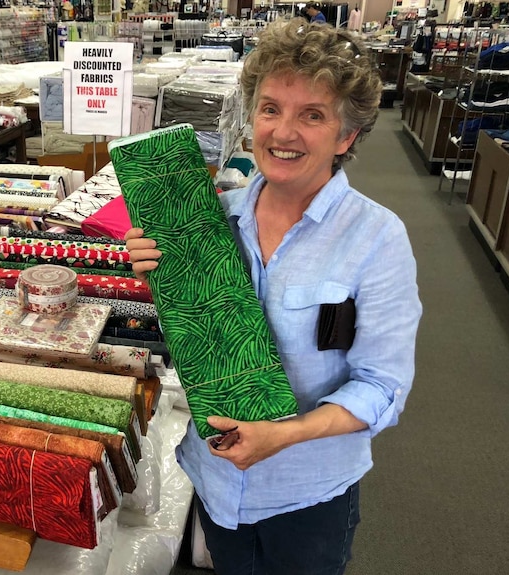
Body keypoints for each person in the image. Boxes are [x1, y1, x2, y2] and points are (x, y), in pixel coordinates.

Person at [125, 19, 422, 575]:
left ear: (347, 136)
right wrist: (163, 286)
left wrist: (285, 435)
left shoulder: (377, 239)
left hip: (308, 496)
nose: (283, 132)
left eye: (312, 115)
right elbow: (200, 352)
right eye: (270, 108)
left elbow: (383, 386)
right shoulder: (213, 219)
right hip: (215, 481)